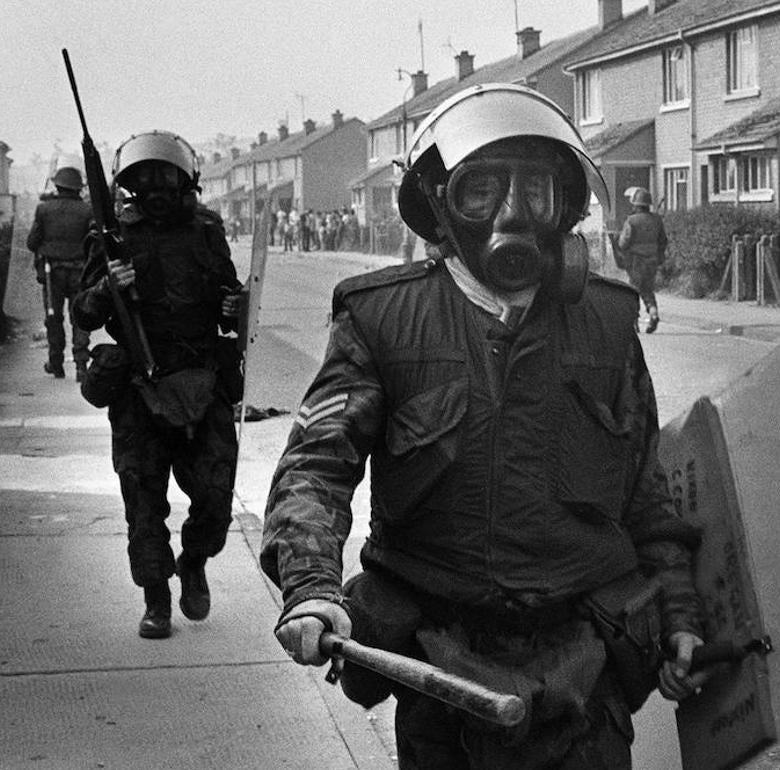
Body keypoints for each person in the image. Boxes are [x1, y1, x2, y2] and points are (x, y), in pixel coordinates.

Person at [261, 83, 707, 769]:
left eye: (536, 192)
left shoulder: (609, 323)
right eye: (482, 190)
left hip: (584, 673)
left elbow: (647, 492)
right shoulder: (382, 320)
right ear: (441, 206)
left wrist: (679, 615)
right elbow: (317, 465)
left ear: (565, 208)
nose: (511, 213)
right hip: (443, 673)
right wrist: (312, 588)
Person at [71, 130, 244, 640]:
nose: (155, 188)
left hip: (201, 380)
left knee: (215, 494)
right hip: (138, 388)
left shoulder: (207, 230)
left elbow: (229, 299)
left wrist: (232, 305)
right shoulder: (111, 237)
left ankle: (193, 562)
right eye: (143, 179)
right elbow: (83, 313)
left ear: (183, 179)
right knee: (143, 502)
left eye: (164, 176)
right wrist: (108, 288)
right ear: (129, 185)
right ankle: (156, 598)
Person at [27, 166, 94, 380]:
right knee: (80, 317)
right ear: (78, 188)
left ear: (58, 186)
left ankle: (56, 362)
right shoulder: (87, 210)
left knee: (53, 316)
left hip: (52, 272)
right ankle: (81, 364)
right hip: (80, 272)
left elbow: (32, 242)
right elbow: (93, 243)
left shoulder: (43, 209)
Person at [616, 187, 667, 334]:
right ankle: (653, 314)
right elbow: (663, 241)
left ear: (636, 205)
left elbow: (623, 243)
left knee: (633, 291)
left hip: (636, 262)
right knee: (647, 290)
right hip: (652, 261)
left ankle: (634, 322)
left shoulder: (632, 221)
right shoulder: (657, 220)